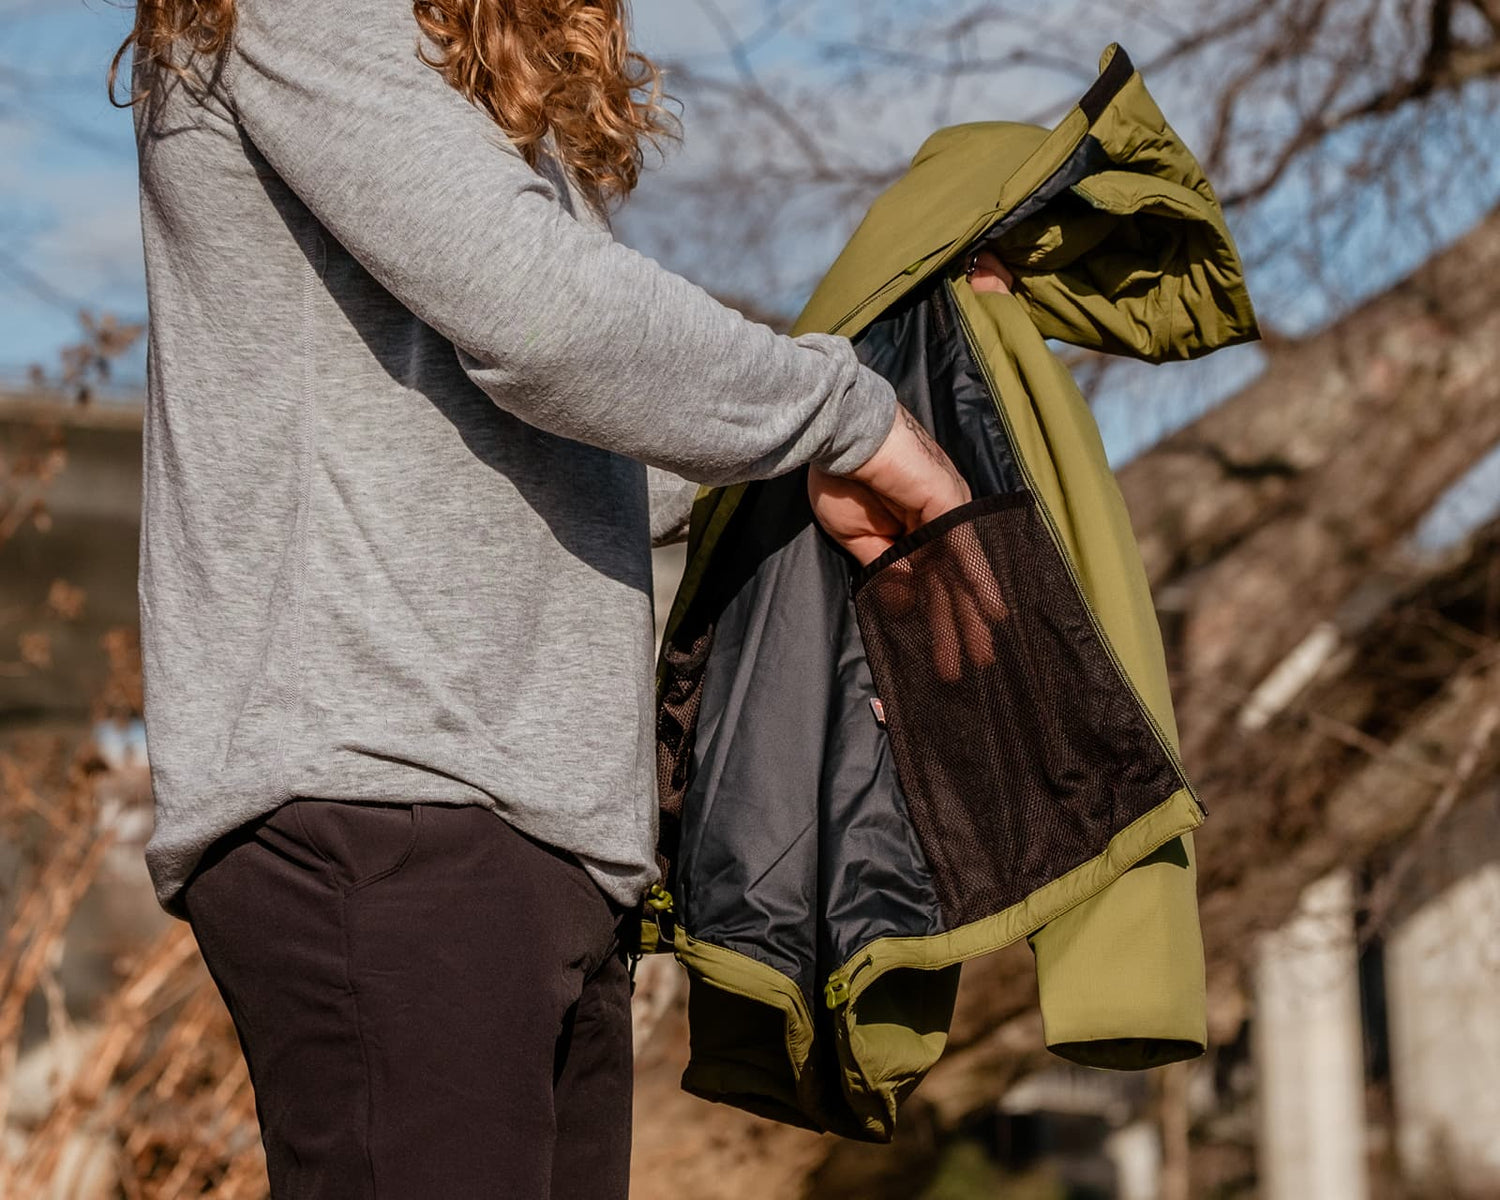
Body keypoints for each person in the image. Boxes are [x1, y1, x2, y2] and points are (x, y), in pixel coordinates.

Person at [116, 0, 1011, 1195]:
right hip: (386, 805)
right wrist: (852, 419)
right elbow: (548, 323)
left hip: (533, 841)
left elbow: (589, 463)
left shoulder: (449, 81)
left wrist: (865, 398)